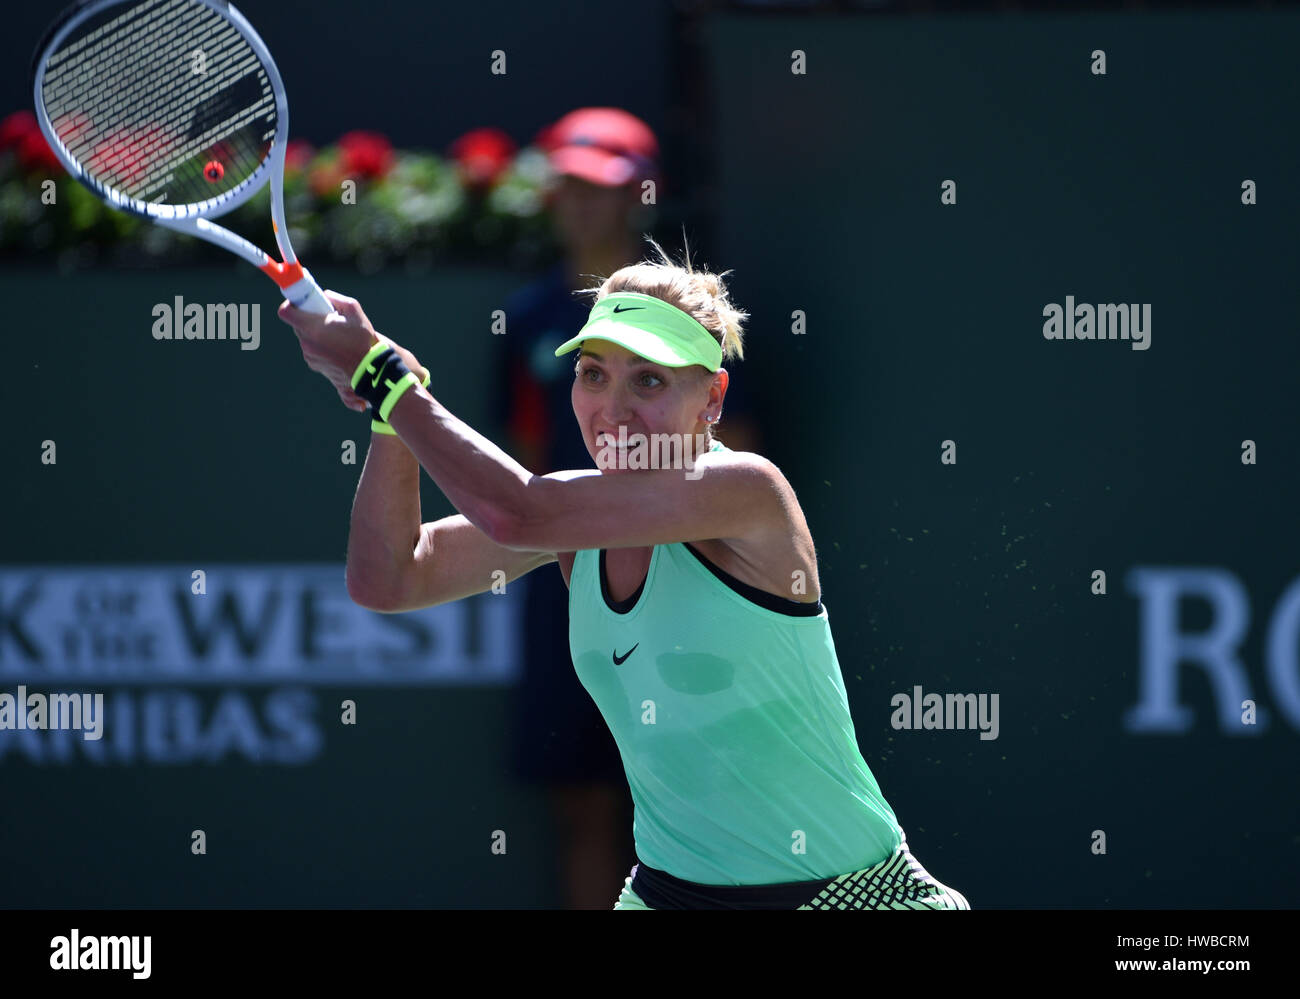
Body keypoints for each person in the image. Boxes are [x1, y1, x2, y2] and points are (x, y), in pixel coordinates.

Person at [278, 239, 970, 910]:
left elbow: (516, 512)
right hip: (667, 892)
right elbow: (392, 578)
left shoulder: (747, 491)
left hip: (841, 898)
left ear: (713, 397)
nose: (612, 409)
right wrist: (390, 418)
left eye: (649, 380)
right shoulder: (573, 518)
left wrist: (385, 379)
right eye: (593, 373)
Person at [496, 107, 763, 908]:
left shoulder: (692, 323)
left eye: (600, 187)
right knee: (584, 807)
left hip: (694, 604)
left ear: (641, 196)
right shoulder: (526, 319)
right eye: (569, 185)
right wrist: (390, 405)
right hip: (568, 597)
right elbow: (518, 474)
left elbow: (735, 468)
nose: (582, 204)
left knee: (708, 819)